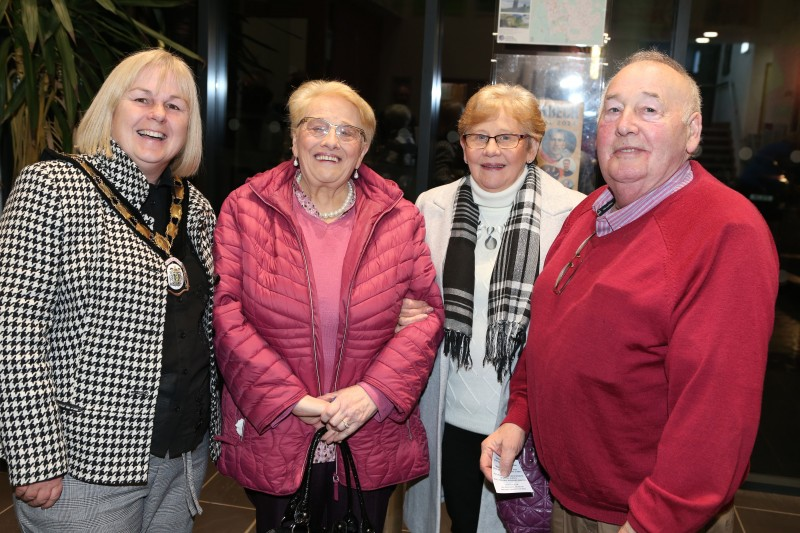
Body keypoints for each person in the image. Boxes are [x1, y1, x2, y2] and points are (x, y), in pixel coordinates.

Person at [480, 50, 779, 533]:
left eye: (650, 110)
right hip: (572, 500)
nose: (624, 125)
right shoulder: (593, 210)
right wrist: (520, 416)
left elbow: (717, 414)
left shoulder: (726, 231)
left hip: (645, 518)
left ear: (694, 132)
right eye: (613, 110)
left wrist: (654, 522)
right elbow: (549, 331)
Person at [212, 80, 444, 533]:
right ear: (294, 139)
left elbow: (427, 318)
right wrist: (293, 401)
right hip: (278, 426)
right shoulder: (244, 209)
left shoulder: (401, 218)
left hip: (368, 428)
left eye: (347, 131)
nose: (331, 141)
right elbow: (226, 315)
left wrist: (370, 396)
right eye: (316, 127)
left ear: (364, 149)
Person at [0, 48, 217, 532]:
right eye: (142, 99)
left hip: (182, 454)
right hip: (84, 462)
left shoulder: (197, 207)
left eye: (175, 106)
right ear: (111, 108)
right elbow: (13, 329)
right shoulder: (53, 186)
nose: (158, 115)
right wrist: (34, 454)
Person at [403, 83, 584, 533]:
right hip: (449, 406)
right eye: (478, 136)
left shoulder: (572, 215)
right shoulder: (431, 207)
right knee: (465, 517)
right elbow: (410, 291)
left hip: (523, 417)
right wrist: (401, 310)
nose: (491, 149)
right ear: (463, 146)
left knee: (519, 523)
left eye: (508, 137)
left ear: (534, 146)